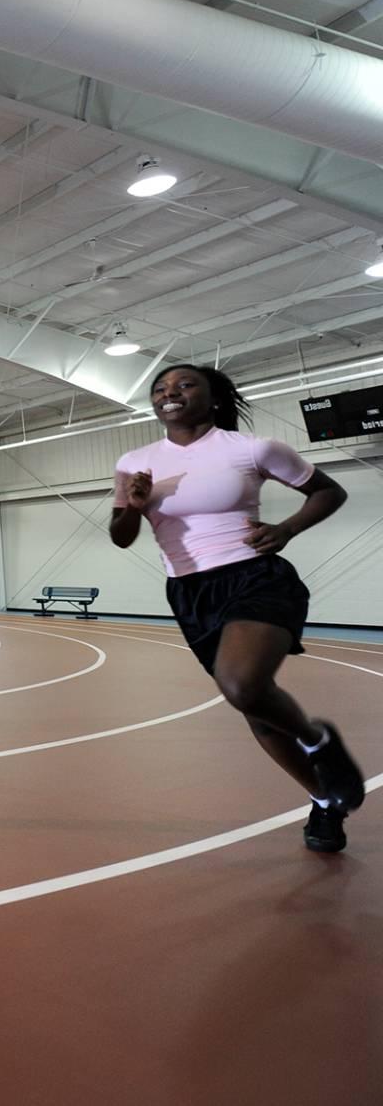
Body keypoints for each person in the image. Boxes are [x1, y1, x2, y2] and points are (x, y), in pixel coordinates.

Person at [112, 364, 365, 853]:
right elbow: (122, 538)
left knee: (241, 683)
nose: (171, 394)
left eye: (185, 385)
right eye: (160, 389)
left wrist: (287, 529)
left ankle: (318, 742)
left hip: (254, 576)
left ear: (213, 397)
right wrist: (135, 507)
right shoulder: (134, 462)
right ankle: (325, 800)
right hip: (189, 592)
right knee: (255, 708)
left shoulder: (252, 449)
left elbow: (329, 491)